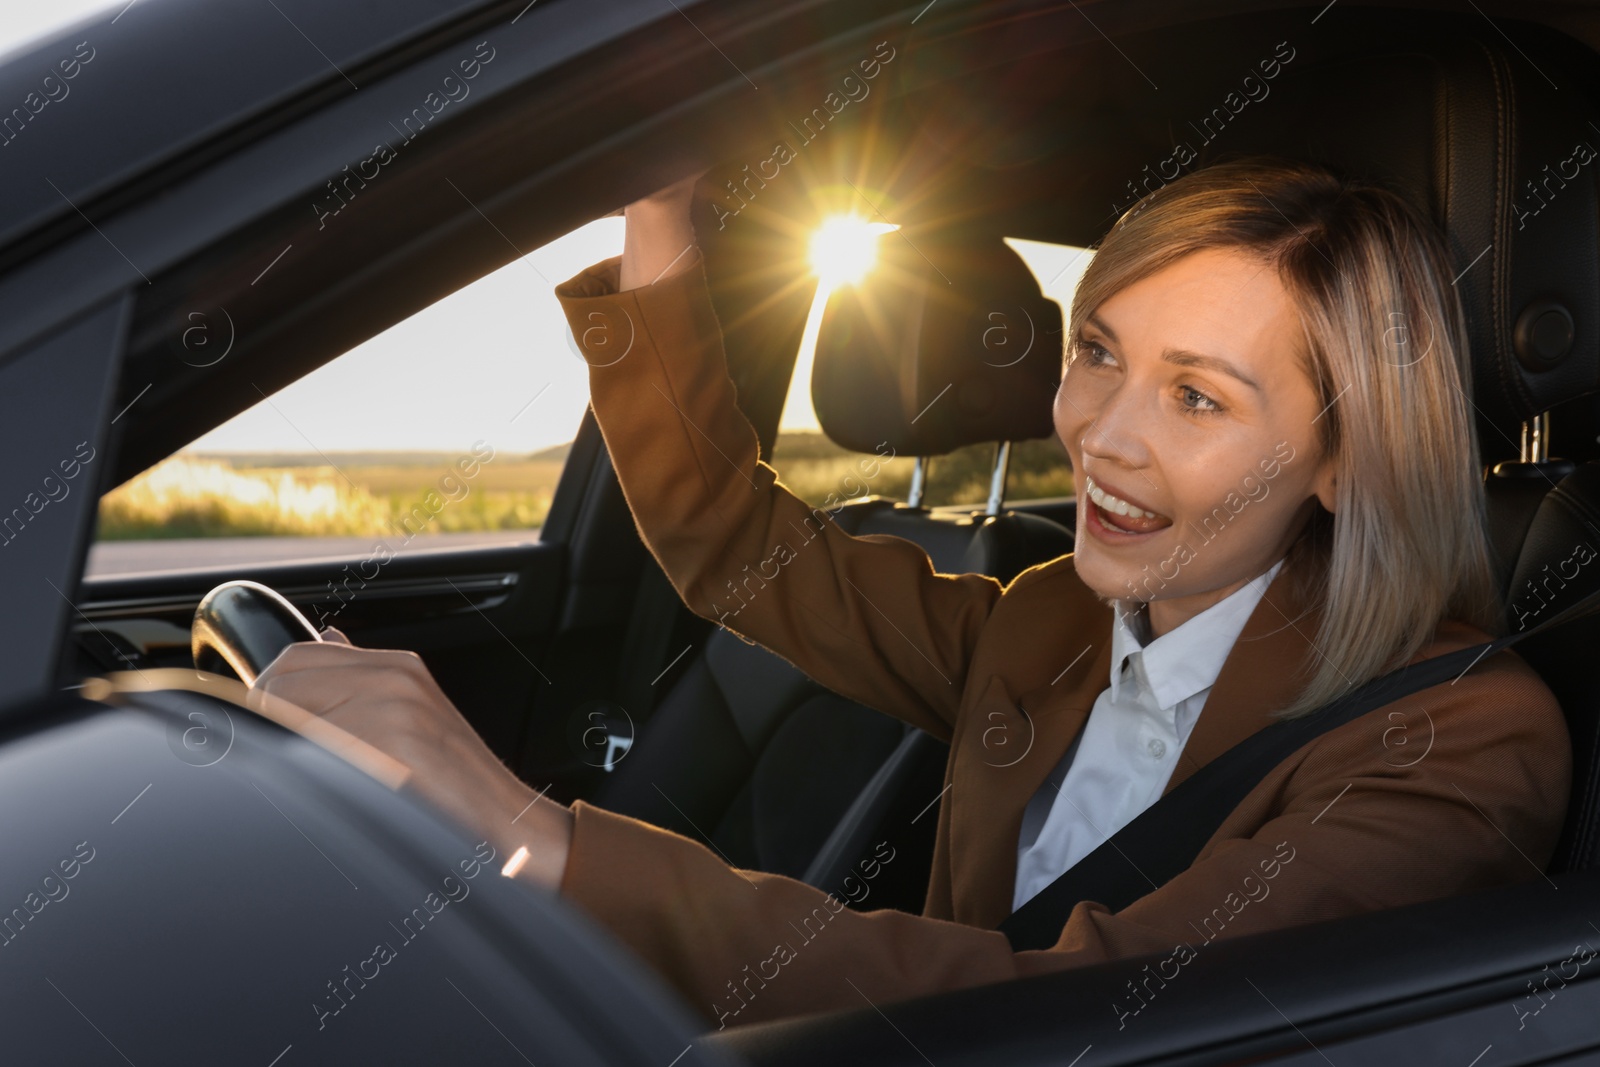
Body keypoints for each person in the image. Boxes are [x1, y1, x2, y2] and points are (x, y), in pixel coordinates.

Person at [251, 158, 1571, 1030]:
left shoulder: (1458, 738)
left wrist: (538, 839)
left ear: (1341, 455)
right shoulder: (1044, 620)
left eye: (1197, 396)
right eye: (1099, 352)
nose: (1101, 435)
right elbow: (729, 539)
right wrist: (660, 210)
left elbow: (1092, 1014)